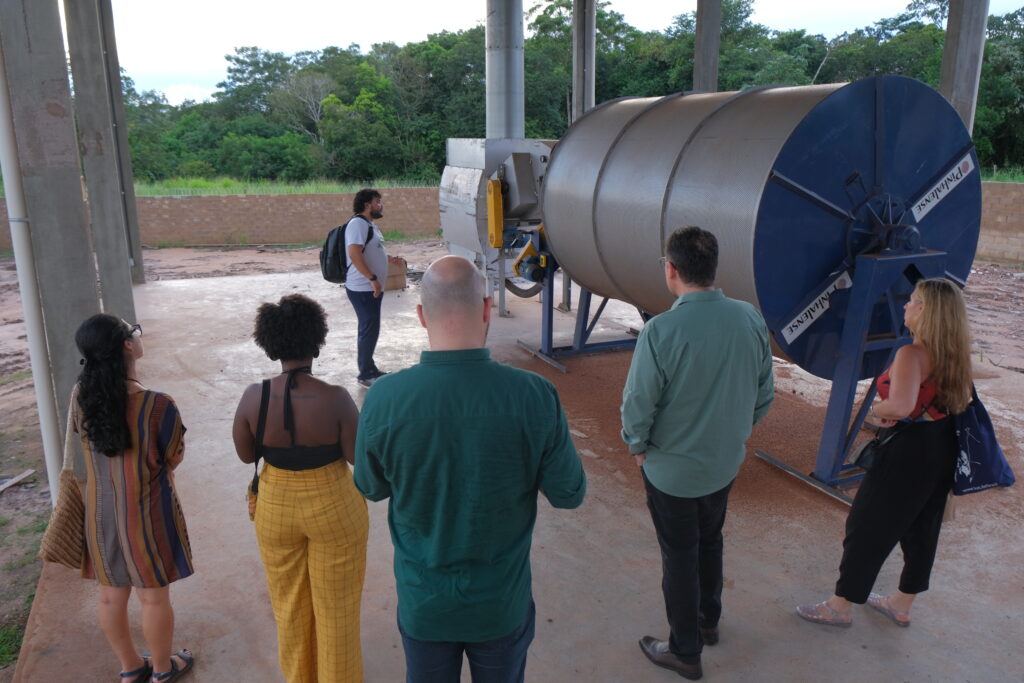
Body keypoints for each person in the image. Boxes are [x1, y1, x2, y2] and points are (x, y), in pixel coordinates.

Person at [353, 255, 586, 683]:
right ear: (486, 309)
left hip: (425, 606)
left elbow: (371, 487)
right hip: (500, 607)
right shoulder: (535, 395)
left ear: (421, 315)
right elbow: (569, 494)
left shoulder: (384, 399)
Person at [621, 226, 774, 681]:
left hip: (671, 472)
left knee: (679, 556)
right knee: (710, 540)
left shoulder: (661, 331)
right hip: (723, 465)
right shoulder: (749, 318)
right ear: (713, 268)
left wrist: (637, 447)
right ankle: (708, 622)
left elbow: (638, 404)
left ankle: (685, 651)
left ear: (671, 270)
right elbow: (764, 392)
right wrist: (731, 434)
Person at [797, 277, 972, 628]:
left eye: (912, 300)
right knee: (922, 527)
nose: (906, 305)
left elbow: (902, 406)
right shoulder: (955, 353)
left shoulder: (911, 354)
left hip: (909, 451)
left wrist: (880, 411)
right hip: (942, 444)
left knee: (867, 525)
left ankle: (840, 606)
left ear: (925, 310)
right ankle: (901, 604)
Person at [232, 294, 368, 682]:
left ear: (270, 344)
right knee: (337, 608)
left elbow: (245, 455)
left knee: (289, 604)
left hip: (275, 507)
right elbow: (356, 458)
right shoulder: (336, 398)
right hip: (334, 506)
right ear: (316, 341)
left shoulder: (253, 396)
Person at [71, 314, 194, 683]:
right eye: (134, 332)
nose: (138, 336)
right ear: (127, 345)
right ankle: (162, 669)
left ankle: (130, 669)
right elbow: (173, 456)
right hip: (147, 513)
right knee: (153, 598)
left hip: (100, 514)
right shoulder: (158, 405)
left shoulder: (80, 397)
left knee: (110, 597)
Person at [345, 187, 389, 387]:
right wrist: (372, 278)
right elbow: (354, 254)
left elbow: (370, 251)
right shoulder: (357, 224)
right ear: (367, 205)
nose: (381, 206)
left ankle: (369, 368)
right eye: (377, 202)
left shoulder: (369, 225)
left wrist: (390, 259)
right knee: (368, 330)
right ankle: (365, 374)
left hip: (369, 287)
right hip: (363, 288)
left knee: (370, 329)